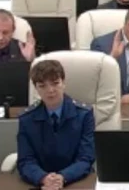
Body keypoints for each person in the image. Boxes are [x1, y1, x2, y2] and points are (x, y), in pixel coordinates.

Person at [17, 60, 95, 189]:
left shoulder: (84, 114)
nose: (50, 90)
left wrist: (63, 177)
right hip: (42, 183)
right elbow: (26, 160)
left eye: (55, 83)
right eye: (42, 86)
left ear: (64, 83)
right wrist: (43, 178)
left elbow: (85, 158)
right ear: (36, 88)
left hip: (76, 181)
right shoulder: (27, 119)